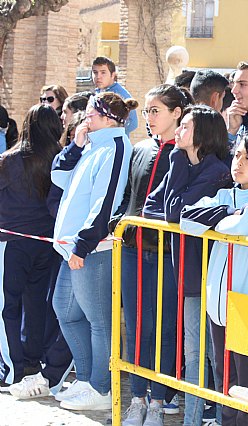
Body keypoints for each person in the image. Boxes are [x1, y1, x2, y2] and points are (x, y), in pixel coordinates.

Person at [180, 134, 248, 424]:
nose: (237, 163)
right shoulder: (227, 195)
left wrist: (221, 219)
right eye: (236, 155)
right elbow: (187, 216)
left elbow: (243, 224)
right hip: (218, 304)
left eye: (246, 157)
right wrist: (228, 211)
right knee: (224, 381)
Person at [143, 105, 232, 426]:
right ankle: (192, 419)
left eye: (185, 126)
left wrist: (177, 164)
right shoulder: (179, 161)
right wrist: (177, 166)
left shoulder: (216, 171)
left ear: (204, 134)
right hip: (188, 272)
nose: (178, 131)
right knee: (193, 352)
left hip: (212, 274)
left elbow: (172, 212)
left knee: (214, 354)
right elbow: (152, 206)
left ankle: (220, 417)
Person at [50, 92, 136, 411]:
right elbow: (58, 176)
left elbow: (106, 201)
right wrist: (75, 144)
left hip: (91, 248)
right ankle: (86, 378)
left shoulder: (115, 146)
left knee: (99, 320)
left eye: (88, 112)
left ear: (103, 116)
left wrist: (84, 244)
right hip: (74, 248)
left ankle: (101, 388)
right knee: (66, 310)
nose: (84, 117)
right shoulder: (93, 145)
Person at [111, 84, 190, 426]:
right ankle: (137, 398)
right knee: (137, 326)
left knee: (165, 328)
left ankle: (159, 400)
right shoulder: (140, 148)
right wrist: (119, 222)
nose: (149, 117)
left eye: (156, 110)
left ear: (177, 113)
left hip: (168, 253)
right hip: (132, 249)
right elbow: (129, 194)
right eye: (146, 111)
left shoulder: (188, 151)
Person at [0, 105, 63, 390]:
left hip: (11, 243)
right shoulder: (60, 159)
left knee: (8, 306)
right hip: (44, 243)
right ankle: (31, 360)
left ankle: (11, 366)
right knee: (35, 302)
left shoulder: (9, 160)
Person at [92, 56, 139, 135]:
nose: (98, 76)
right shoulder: (97, 92)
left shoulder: (120, 94)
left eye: (103, 72)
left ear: (113, 75)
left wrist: (111, 133)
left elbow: (133, 123)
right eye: (95, 72)